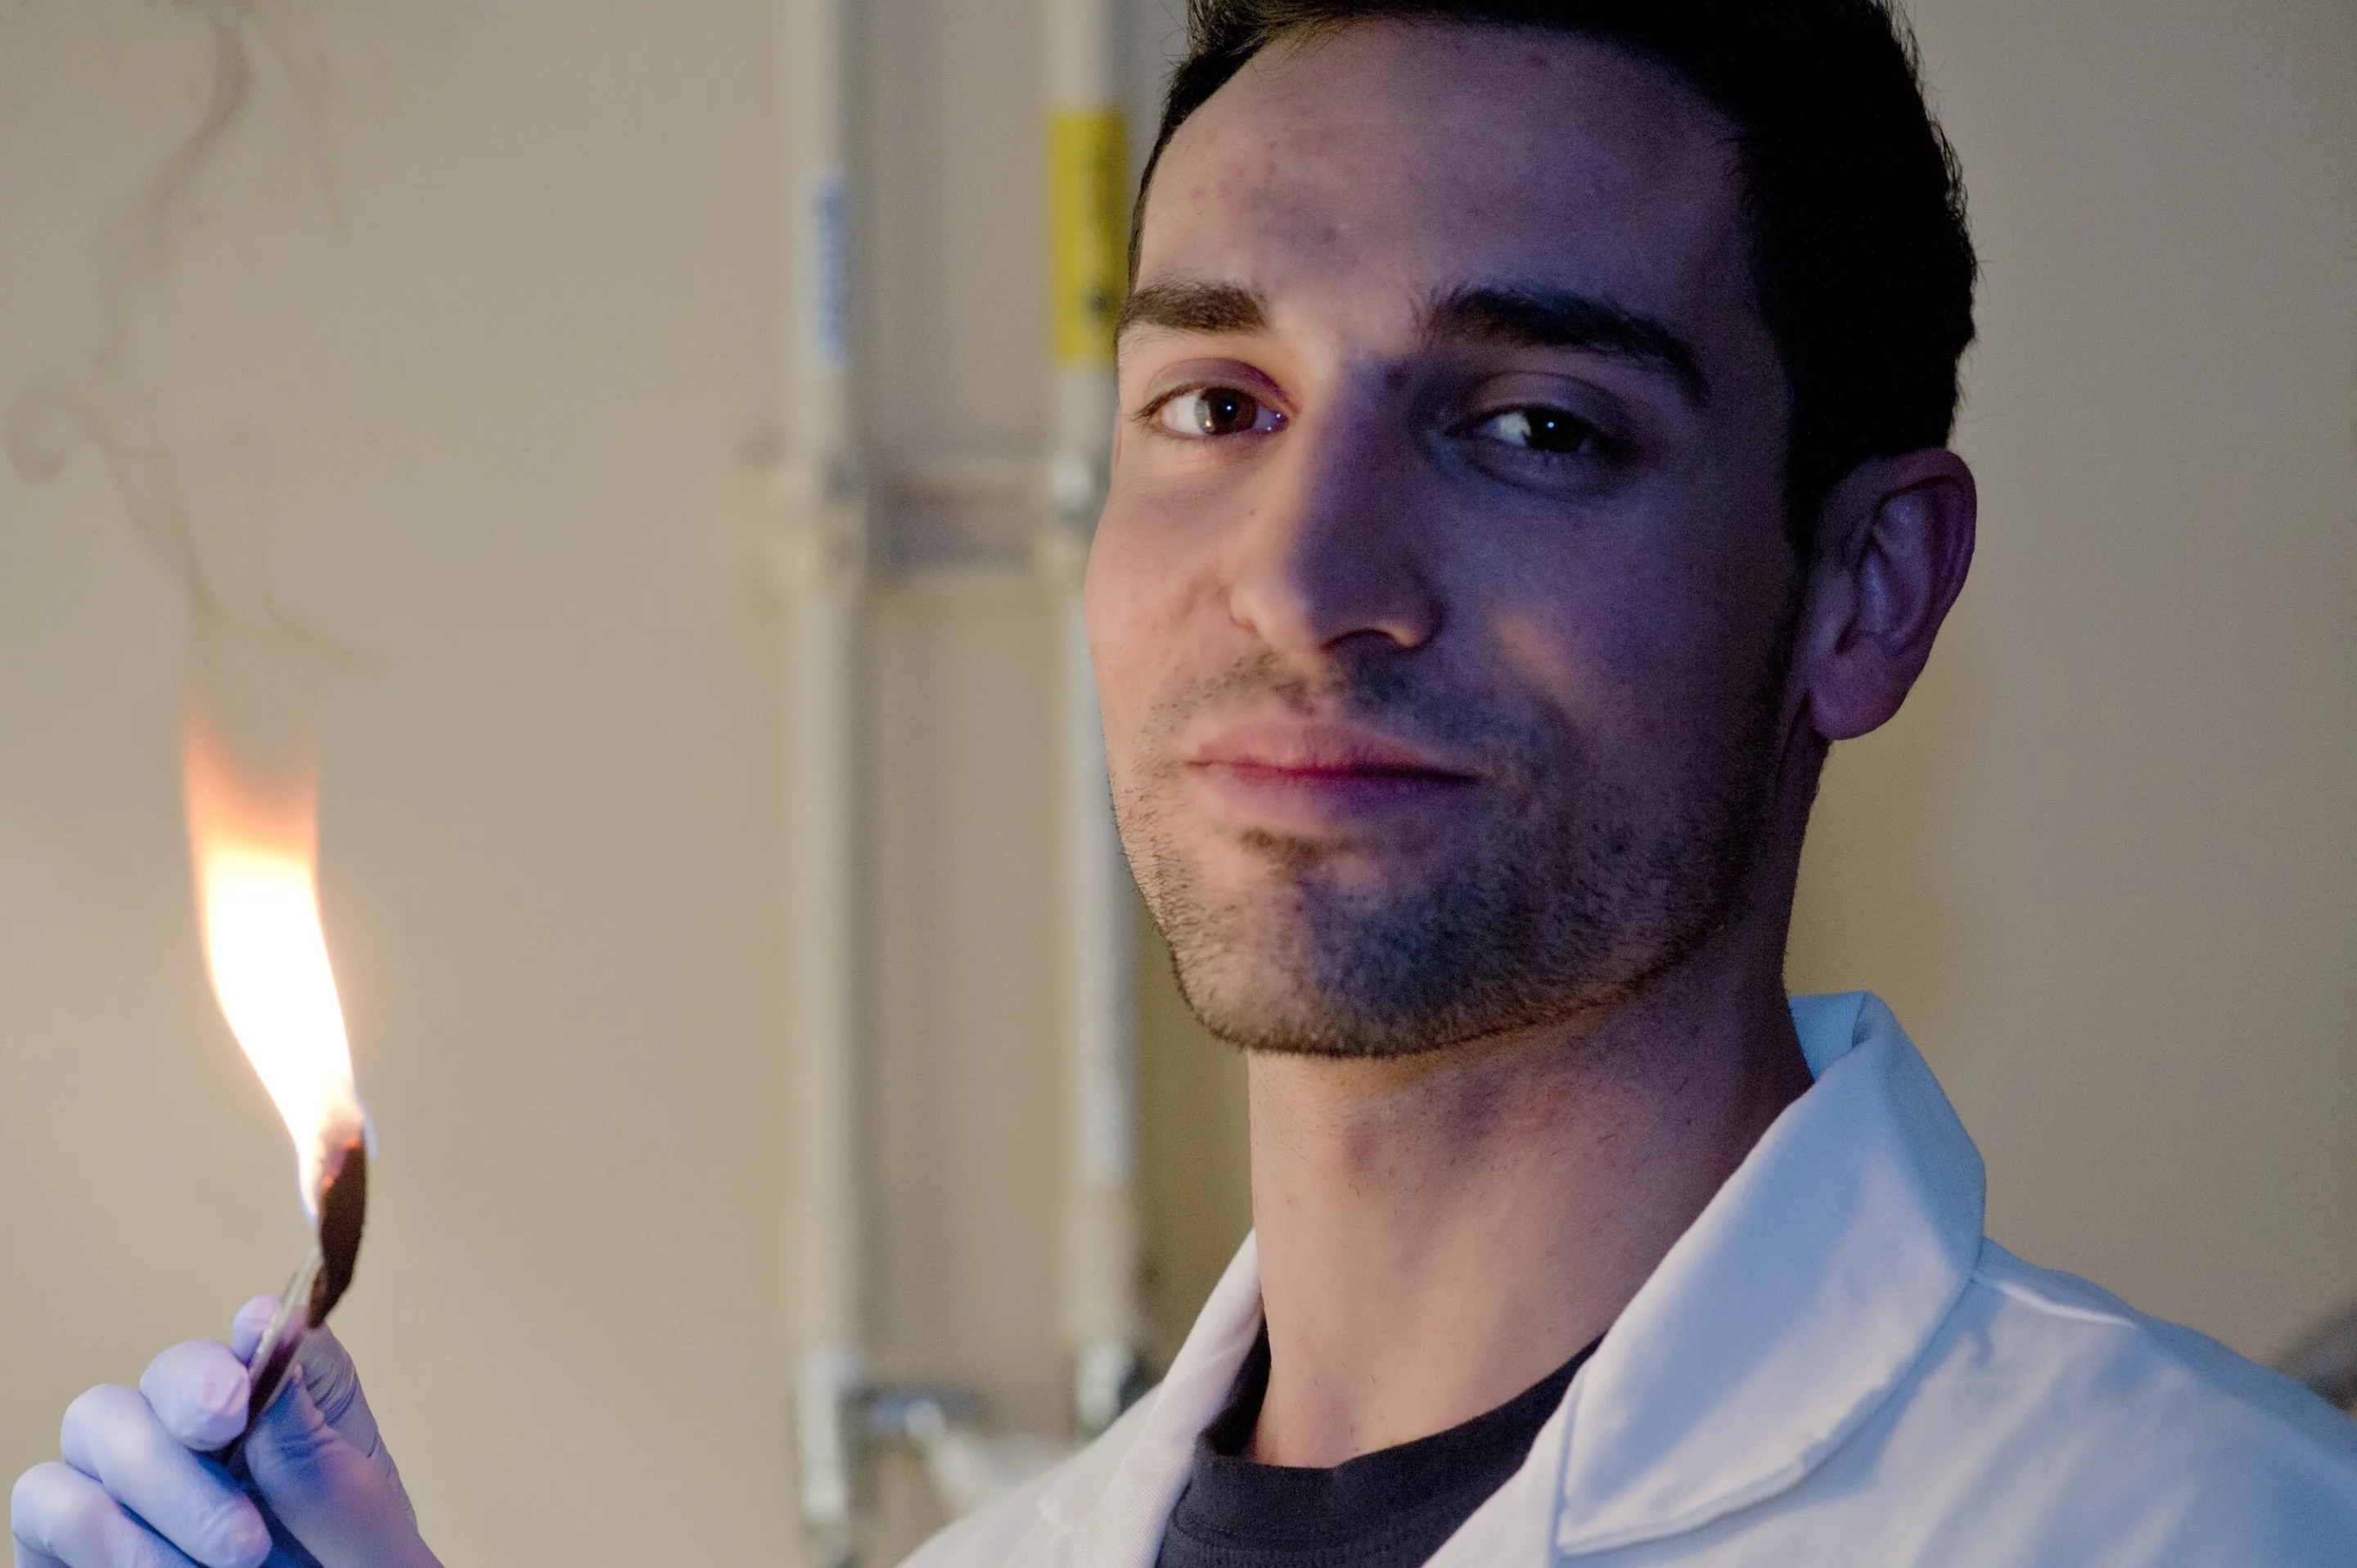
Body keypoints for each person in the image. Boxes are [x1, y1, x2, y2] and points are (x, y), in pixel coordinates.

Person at [16, 1, 2357, 1564]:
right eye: (1215, 408)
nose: (1306, 582)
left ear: (1864, 586)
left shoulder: (2198, 1530)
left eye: (1534, 427)